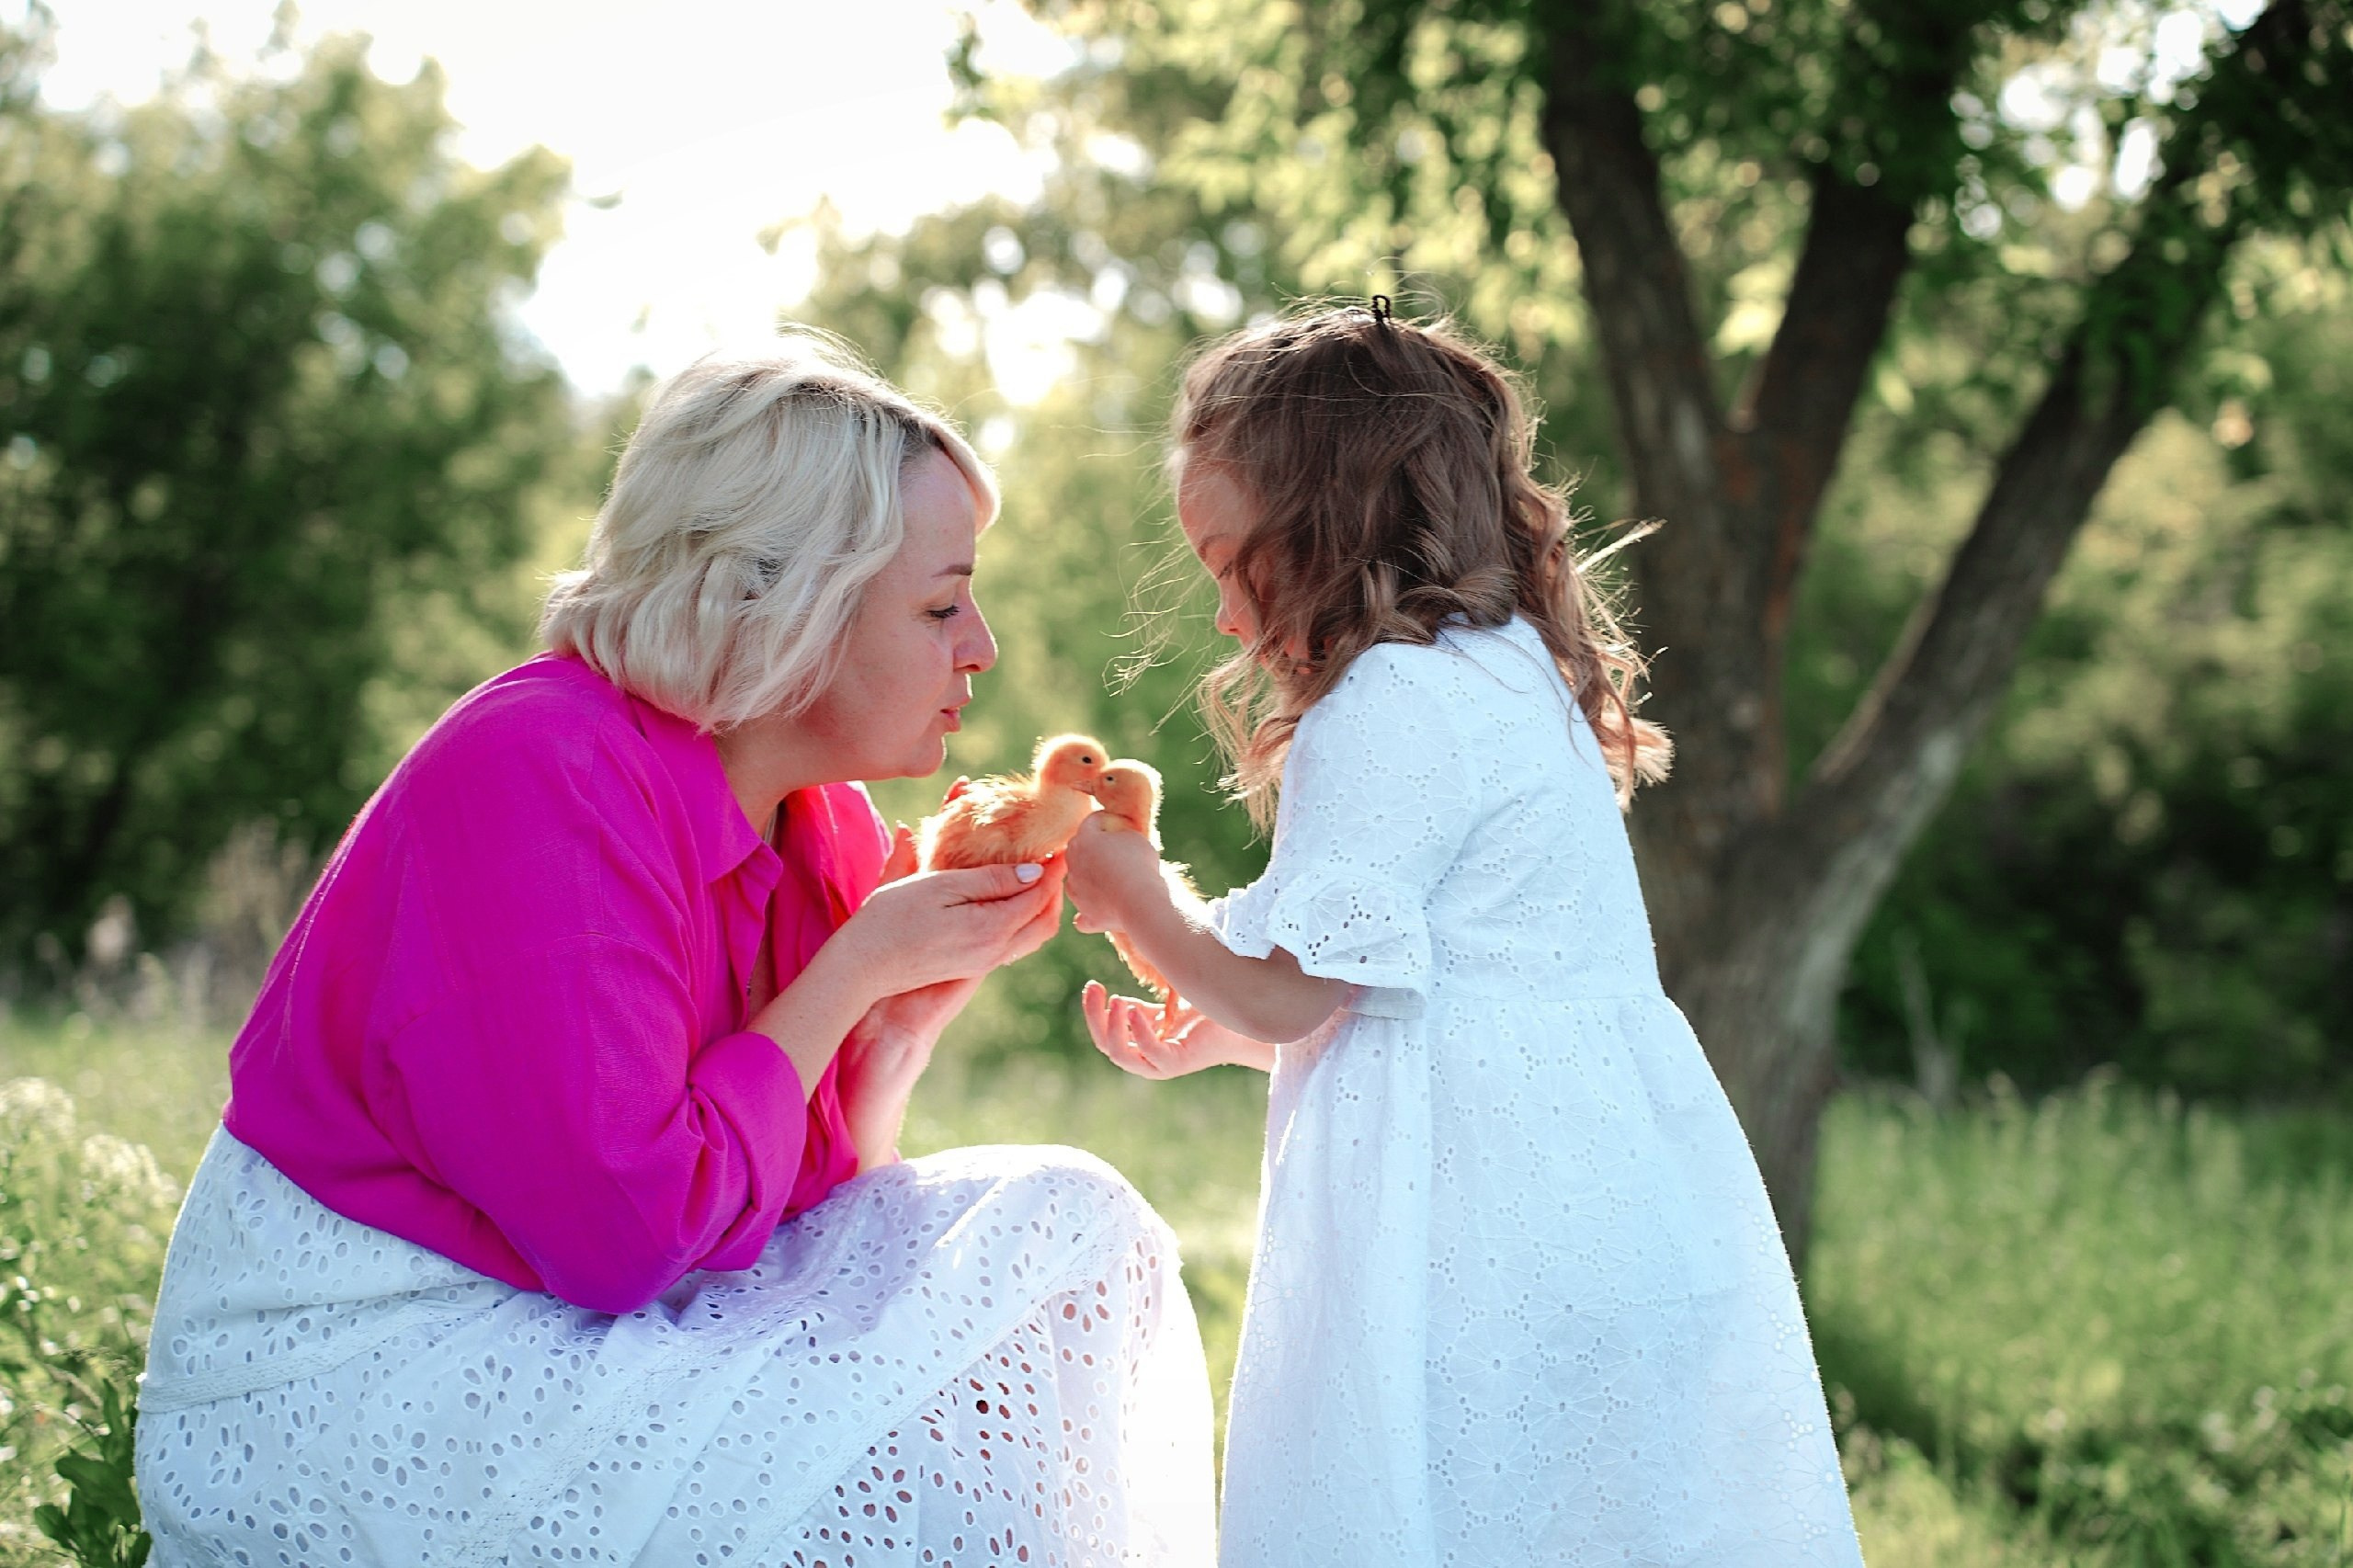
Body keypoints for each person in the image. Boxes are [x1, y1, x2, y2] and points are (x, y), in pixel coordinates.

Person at [134, 334, 1214, 1567]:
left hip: (582, 1319)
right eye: (937, 602)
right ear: (786, 603)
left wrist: (892, 1030)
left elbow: (798, 1215)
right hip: (373, 1365)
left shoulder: (822, 823)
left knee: (1066, 1225)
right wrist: (853, 969)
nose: (982, 645)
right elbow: (620, 1237)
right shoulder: (541, 768)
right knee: (932, 1370)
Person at [1061, 304, 1866, 1566]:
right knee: (1577, 1509)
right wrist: (1207, 1037)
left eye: (1233, 563)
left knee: (1445, 1496)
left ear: (1330, 525)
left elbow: (1291, 993)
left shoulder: (1386, 701)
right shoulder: (1504, 669)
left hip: (1475, 1229)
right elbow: (1398, 997)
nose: (1222, 617)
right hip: (1585, 1180)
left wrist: (1135, 904)